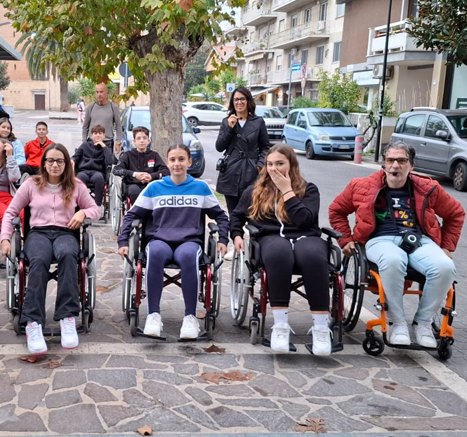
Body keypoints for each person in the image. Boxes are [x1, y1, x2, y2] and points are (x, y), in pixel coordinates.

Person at [329, 141, 464, 348]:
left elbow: (455, 213)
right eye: (391, 160)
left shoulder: (429, 188)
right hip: (379, 240)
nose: (395, 166)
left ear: (411, 165)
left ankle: (423, 322)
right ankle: (397, 322)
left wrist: (446, 247)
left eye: (402, 161)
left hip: (420, 240)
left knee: (445, 267)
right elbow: (336, 210)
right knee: (394, 259)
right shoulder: (361, 185)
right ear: (383, 164)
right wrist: (346, 239)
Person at [117, 144, 229, 340]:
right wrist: (123, 240)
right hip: (160, 239)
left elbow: (220, 216)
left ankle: (190, 317)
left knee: (188, 256)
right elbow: (131, 215)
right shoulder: (155, 187)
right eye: (173, 160)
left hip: (189, 241)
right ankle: (153, 315)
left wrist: (223, 239)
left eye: (181, 159)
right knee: (156, 253)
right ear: (167, 163)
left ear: (189, 162)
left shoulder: (200, 188)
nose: (177, 164)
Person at [230, 144, 333, 355]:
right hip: (271, 238)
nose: (274, 168)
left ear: (291, 165)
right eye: (270, 164)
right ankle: (280, 326)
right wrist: (236, 234)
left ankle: (321, 328)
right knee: (279, 253)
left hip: (305, 236)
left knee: (313, 255)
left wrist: (287, 191)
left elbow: (305, 220)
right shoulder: (254, 191)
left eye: (280, 164)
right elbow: (237, 216)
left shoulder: (308, 189)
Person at [0, 144, 101, 355]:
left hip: (65, 232)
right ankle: (33, 323)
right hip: (38, 233)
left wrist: (82, 214)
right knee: (39, 259)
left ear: (66, 164)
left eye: (60, 161)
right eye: (51, 161)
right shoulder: (31, 184)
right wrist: (5, 238)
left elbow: (95, 210)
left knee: (67, 255)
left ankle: (67, 317)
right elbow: (10, 212)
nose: (55, 165)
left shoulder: (76, 185)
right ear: (43, 163)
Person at [215, 86, 271, 260]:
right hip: (231, 170)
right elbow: (219, 146)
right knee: (234, 212)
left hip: (252, 171)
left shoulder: (258, 122)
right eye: (236, 99)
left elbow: (265, 147)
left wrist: (260, 166)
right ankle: (235, 246)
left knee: (255, 211)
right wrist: (230, 128)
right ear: (232, 102)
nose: (239, 102)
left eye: (242, 99)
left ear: (248, 101)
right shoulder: (227, 121)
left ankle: (255, 247)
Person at [112, 126, 169, 204]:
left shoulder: (154, 155)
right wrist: (134, 174)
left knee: (154, 191)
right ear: (134, 141)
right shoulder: (127, 155)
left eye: (144, 138)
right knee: (135, 191)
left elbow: (166, 171)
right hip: (132, 184)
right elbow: (116, 170)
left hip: (150, 184)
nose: (142, 141)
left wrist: (151, 176)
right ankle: (138, 213)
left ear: (148, 141)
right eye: (138, 138)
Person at [73, 125, 117, 210]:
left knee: (99, 178)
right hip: (83, 171)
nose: (98, 135)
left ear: (104, 135)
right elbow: (76, 156)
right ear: (91, 135)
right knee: (79, 178)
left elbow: (109, 162)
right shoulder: (85, 145)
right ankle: (78, 204)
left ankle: (97, 205)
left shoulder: (105, 148)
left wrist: (104, 147)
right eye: (95, 133)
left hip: (97, 172)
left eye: (100, 133)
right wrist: (72, 161)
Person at [81, 83, 123, 150]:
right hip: (92, 143)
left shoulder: (113, 107)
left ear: (107, 93)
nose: (99, 94)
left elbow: (118, 126)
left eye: (101, 92)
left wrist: (118, 143)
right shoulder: (91, 107)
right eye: (97, 92)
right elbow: (85, 126)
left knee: (108, 160)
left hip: (107, 143)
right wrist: (84, 142)